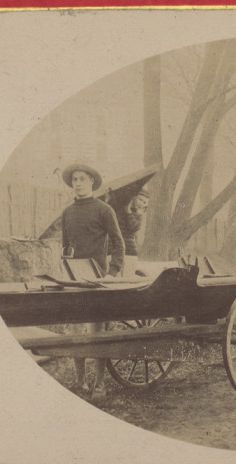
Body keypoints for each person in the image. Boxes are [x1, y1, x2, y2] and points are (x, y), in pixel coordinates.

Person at [60, 163, 125, 400]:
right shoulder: (67, 212)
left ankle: (99, 383)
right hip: (75, 279)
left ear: (92, 182)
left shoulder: (104, 210)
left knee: (98, 331)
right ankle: (80, 381)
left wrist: (112, 273)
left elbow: (119, 244)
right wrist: (65, 269)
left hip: (98, 279)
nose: (77, 183)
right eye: (74, 179)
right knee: (76, 330)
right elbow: (65, 247)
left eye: (82, 179)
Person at [113, 187, 150, 277]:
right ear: (134, 198)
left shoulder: (138, 214)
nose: (141, 203)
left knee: (127, 276)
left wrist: (129, 212)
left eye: (144, 202)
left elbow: (133, 227)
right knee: (116, 277)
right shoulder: (120, 209)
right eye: (140, 200)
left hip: (129, 250)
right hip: (116, 249)